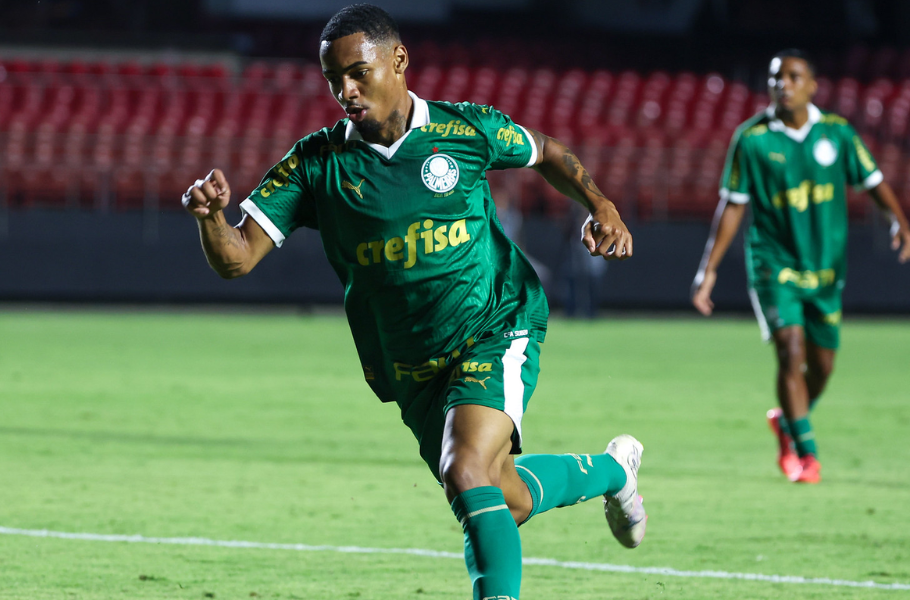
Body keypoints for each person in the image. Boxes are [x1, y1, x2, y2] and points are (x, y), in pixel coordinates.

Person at [182, 5, 645, 598]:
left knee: (465, 470)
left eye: (356, 73)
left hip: (495, 322)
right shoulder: (315, 164)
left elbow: (547, 152)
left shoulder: (462, 131)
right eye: (333, 80)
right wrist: (213, 218)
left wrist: (600, 205)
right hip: (410, 364)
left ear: (398, 61)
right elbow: (236, 258)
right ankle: (613, 471)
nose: (344, 91)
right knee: (502, 495)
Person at [691, 49, 910, 484]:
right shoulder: (752, 139)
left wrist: (899, 221)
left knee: (823, 367)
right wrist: (708, 269)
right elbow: (732, 207)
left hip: (826, 270)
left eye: (793, 77)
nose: (783, 84)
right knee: (790, 349)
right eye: (775, 78)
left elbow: (873, 182)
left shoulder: (837, 134)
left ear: (812, 85)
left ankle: (787, 422)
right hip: (775, 265)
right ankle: (806, 456)